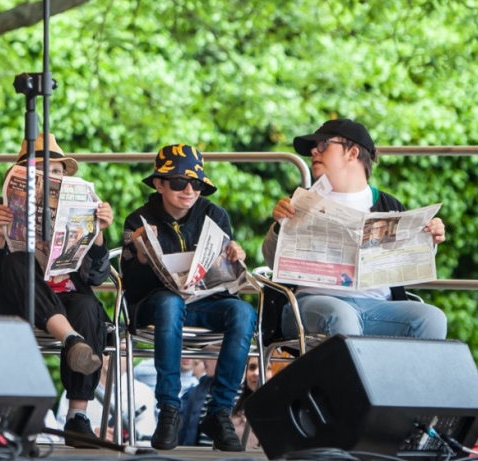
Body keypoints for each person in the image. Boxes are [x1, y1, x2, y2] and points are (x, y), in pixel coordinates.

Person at [0, 134, 114, 446]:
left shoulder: (83, 210)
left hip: (66, 298)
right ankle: (72, 339)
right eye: (40, 169)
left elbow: (96, 277)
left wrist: (100, 237)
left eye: (56, 170)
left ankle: (77, 417)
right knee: (16, 263)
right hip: (18, 301)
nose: (51, 175)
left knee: (89, 307)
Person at [120, 144, 254, 452]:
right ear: (160, 184)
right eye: (180, 182)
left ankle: (219, 412)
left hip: (205, 302)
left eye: (196, 183)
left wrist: (235, 258)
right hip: (157, 306)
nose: (189, 189)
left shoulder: (215, 215)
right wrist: (140, 257)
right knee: (170, 302)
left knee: (244, 313)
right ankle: (169, 409)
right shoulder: (137, 221)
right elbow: (133, 288)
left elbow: (226, 283)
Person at [262, 118, 448, 340]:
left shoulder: (388, 206)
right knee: (342, 316)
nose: (313, 151)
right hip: (312, 304)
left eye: (323, 145)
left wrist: (429, 240)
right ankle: (355, 376)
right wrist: (278, 227)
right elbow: (273, 262)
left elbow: (405, 265)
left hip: (378, 307)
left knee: (432, 318)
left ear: (352, 153)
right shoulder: (302, 201)